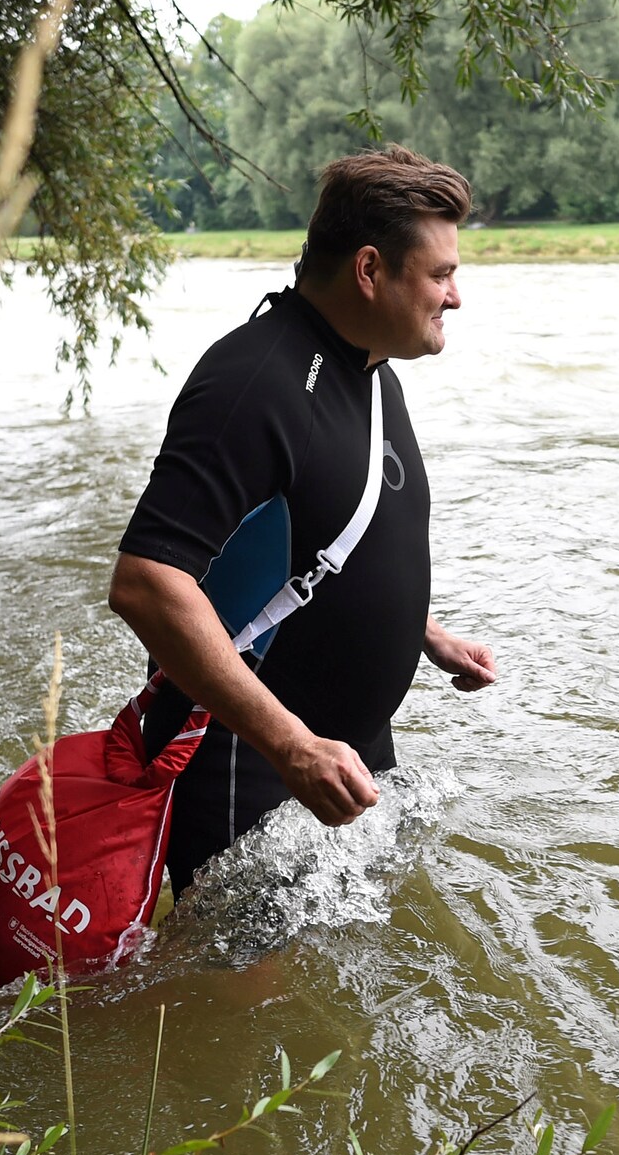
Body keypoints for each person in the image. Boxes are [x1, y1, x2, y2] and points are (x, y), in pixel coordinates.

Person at [107, 146, 498, 898]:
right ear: (369, 270)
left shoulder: (372, 369)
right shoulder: (251, 383)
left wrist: (425, 630)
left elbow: (324, 537)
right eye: (441, 273)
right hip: (250, 763)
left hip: (346, 753)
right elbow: (146, 582)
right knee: (238, 1009)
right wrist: (291, 747)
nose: (456, 296)